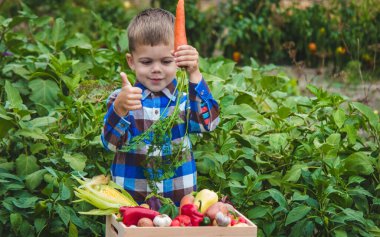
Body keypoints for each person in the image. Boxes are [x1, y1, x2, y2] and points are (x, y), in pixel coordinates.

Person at [101, 8, 220, 205]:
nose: (156, 69)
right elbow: (110, 144)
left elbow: (209, 124)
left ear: (177, 59)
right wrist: (120, 109)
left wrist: (195, 74)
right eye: (146, 62)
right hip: (133, 204)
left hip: (179, 206)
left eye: (166, 61)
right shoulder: (123, 99)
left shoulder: (184, 100)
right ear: (131, 62)